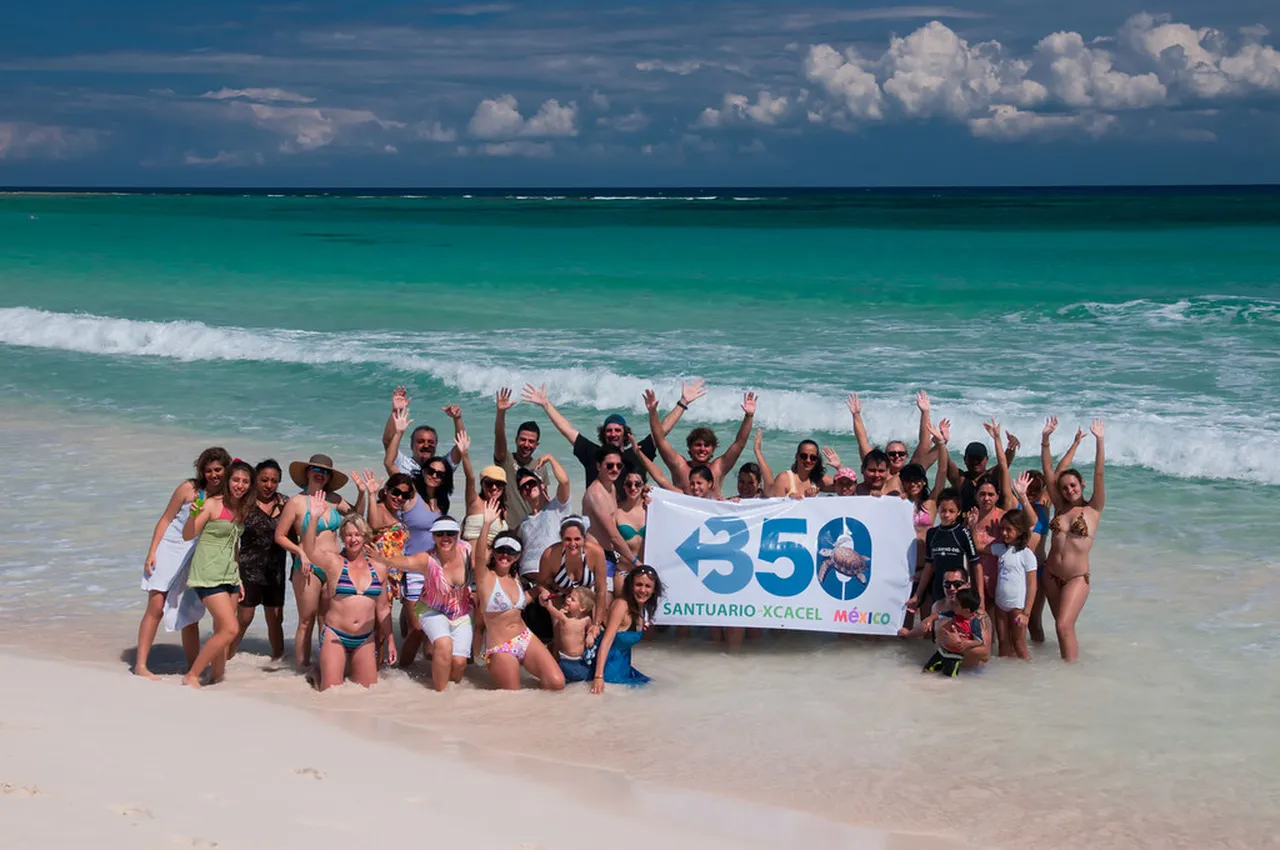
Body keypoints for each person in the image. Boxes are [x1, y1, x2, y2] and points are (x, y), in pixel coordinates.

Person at [135, 446, 230, 679]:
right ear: (201, 471)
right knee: (155, 606)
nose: (213, 475)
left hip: (196, 557)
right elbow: (166, 519)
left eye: (218, 469)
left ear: (226, 469)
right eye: (208, 470)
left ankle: (192, 668)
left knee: (190, 614)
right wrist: (152, 552)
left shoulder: (227, 497)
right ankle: (140, 665)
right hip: (169, 549)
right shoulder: (189, 488)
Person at [520, 380, 705, 484]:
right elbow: (567, 430)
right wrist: (546, 404)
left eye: (618, 430)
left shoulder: (638, 453)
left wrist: (683, 403)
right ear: (604, 434)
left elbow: (661, 431)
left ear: (625, 434)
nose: (613, 433)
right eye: (609, 430)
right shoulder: (593, 454)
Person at [300, 494, 396, 690]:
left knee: (367, 693)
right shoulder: (335, 563)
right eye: (349, 535)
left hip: (365, 639)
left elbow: (383, 609)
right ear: (343, 537)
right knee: (331, 693)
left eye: (358, 534)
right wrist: (314, 518)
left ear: (365, 536)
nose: (353, 539)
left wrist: (391, 641)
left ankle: (322, 670)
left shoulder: (379, 568)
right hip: (335, 635)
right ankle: (317, 673)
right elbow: (310, 550)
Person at [274, 454, 359, 669]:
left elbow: (358, 517)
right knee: (306, 620)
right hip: (307, 567)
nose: (321, 475)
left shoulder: (335, 499)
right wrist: (299, 553)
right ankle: (301, 668)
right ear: (308, 473)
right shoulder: (296, 502)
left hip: (333, 566)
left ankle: (325, 665)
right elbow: (280, 536)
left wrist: (362, 492)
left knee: (327, 619)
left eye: (326, 472)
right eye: (317, 471)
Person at [472, 500, 565, 691]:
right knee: (513, 699)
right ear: (494, 552)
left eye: (511, 552)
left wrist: (540, 590)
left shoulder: (515, 578)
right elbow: (480, 556)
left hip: (525, 638)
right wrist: (487, 524)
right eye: (501, 550)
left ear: (517, 556)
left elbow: (522, 599)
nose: (505, 555)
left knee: (556, 683)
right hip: (501, 647)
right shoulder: (486, 578)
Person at [180, 459, 254, 688]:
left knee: (222, 632)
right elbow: (188, 534)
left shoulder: (241, 509)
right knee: (230, 628)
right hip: (208, 574)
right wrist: (193, 515)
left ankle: (217, 678)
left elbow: (234, 546)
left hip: (230, 575)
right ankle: (192, 675)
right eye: (236, 480)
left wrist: (238, 577)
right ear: (228, 480)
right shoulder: (212, 504)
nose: (239, 485)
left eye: (245, 482)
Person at [1042, 417, 1106, 663]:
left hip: (1076, 578)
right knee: (1063, 629)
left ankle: (1071, 675)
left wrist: (1100, 440)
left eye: (1073, 485)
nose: (1069, 490)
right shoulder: (1059, 506)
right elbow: (1048, 471)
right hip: (1051, 575)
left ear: (1082, 484)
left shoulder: (1093, 509)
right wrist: (1045, 439)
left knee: (1062, 625)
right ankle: (1067, 670)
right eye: (1065, 487)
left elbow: (1100, 473)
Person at [383, 515, 474, 688]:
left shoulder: (467, 550)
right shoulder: (427, 559)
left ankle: (450, 694)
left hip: (460, 612)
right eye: (440, 534)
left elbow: (484, 565)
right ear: (433, 536)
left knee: (459, 663)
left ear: (458, 534)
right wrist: (384, 559)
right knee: (443, 644)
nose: (445, 538)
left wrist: (485, 524)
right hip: (431, 609)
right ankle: (439, 693)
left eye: (450, 533)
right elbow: (406, 561)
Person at [643, 387, 756, 495]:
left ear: (712, 449)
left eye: (706, 445)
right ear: (690, 448)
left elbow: (739, 443)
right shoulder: (680, 466)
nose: (702, 449)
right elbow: (660, 440)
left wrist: (749, 416)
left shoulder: (718, 468)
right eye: (698, 445)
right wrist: (653, 412)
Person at [229, 459, 288, 661]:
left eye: (274, 481)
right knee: (244, 618)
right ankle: (225, 658)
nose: (269, 485)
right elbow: (231, 538)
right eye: (264, 480)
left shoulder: (285, 503)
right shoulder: (245, 504)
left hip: (275, 571)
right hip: (248, 569)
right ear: (255, 479)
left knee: (275, 619)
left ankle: (278, 662)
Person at [899, 566, 992, 670]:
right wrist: (908, 634)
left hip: (968, 673)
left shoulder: (978, 616)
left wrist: (958, 644)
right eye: (947, 584)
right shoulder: (937, 606)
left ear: (967, 585)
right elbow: (925, 628)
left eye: (957, 584)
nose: (952, 588)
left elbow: (985, 655)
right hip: (943, 665)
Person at [591, 564, 664, 694]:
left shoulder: (641, 608)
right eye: (638, 585)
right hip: (607, 667)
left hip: (623, 666)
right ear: (630, 586)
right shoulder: (621, 605)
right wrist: (598, 677)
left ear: (654, 590)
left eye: (648, 586)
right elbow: (606, 642)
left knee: (655, 687)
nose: (642, 590)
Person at [908, 488, 979, 616]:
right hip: (939, 588)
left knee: (957, 628)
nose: (946, 515)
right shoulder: (932, 534)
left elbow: (976, 564)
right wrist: (918, 595)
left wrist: (980, 597)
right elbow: (929, 566)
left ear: (958, 512)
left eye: (951, 511)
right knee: (937, 627)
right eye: (943, 510)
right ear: (938, 510)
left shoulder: (963, 533)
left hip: (958, 589)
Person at [846, 391, 934, 491]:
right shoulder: (877, 471)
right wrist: (856, 415)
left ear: (906, 455)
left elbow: (924, 444)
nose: (897, 456)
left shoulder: (910, 473)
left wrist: (925, 412)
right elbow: (862, 442)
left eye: (901, 454)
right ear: (886, 456)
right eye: (892, 453)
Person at [991, 484, 1038, 660]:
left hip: (1018, 608)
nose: (1004, 533)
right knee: (1003, 644)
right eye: (1002, 529)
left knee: (1019, 645)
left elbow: (1032, 585)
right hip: (1000, 605)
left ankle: (1028, 677)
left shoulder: (1026, 554)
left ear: (1020, 531)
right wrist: (973, 526)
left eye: (1009, 530)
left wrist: (1026, 613)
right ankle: (1006, 680)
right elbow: (980, 548)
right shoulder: (1000, 549)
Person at [380, 386, 463, 484]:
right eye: (421, 441)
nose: (426, 445)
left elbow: (461, 446)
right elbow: (388, 441)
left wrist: (457, 419)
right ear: (411, 445)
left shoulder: (441, 467)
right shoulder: (401, 462)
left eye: (431, 442)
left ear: (436, 445)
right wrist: (395, 411)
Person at [583, 444, 642, 580]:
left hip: (610, 555)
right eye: (610, 466)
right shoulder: (597, 494)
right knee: (604, 599)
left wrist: (644, 497)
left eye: (618, 466)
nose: (615, 469)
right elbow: (613, 536)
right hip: (596, 555)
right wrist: (636, 562)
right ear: (599, 466)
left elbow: (619, 512)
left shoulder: (611, 487)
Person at [538, 515, 609, 627]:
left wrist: (596, 624)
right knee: (565, 631)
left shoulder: (596, 552)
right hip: (560, 600)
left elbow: (601, 590)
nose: (572, 544)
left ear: (584, 538)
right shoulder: (550, 555)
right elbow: (541, 582)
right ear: (561, 539)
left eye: (577, 539)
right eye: (567, 539)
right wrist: (544, 592)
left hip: (585, 601)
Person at [492, 386, 543, 530]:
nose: (526, 444)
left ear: (536, 444)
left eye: (531, 441)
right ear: (516, 440)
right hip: (508, 529)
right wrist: (501, 413)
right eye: (523, 440)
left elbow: (543, 501)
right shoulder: (506, 460)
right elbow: (499, 437)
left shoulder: (540, 466)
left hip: (533, 529)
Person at [457, 431, 510, 544]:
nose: (494, 487)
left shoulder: (503, 511)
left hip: (492, 560)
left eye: (499, 484)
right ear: (482, 485)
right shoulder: (474, 502)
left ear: (504, 487)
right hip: (471, 559)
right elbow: (470, 478)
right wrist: (464, 454)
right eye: (489, 483)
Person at [922, 588, 984, 677]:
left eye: (956, 604)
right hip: (942, 651)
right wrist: (930, 619)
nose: (952, 605)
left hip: (955, 657)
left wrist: (966, 643)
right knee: (926, 670)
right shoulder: (954, 613)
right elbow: (938, 615)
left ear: (966, 610)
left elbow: (979, 641)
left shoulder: (974, 623)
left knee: (949, 679)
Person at [545, 586, 600, 683]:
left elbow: (592, 629)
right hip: (564, 659)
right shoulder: (563, 617)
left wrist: (590, 636)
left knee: (582, 683)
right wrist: (548, 604)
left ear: (582, 607)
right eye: (568, 596)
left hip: (580, 661)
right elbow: (552, 610)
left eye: (572, 599)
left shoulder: (586, 620)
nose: (568, 599)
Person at [614, 469, 649, 571]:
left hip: (646, 571)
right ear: (624, 486)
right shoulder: (616, 511)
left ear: (643, 486)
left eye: (637, 484)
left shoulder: (651, 508)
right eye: (629, 484)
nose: (633, 488)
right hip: (623, 570)